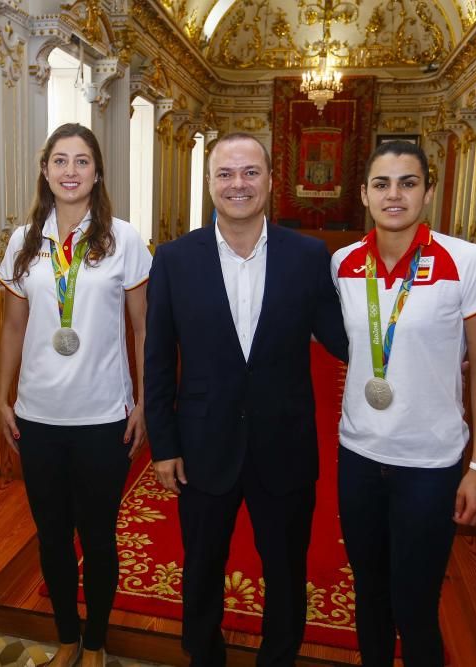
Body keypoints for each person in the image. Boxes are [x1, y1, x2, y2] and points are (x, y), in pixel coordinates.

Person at [145, 132, 348, 666]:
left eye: (250, 172)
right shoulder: (173, 259)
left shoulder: (307, 257)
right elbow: (159, 359)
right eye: (226, 174)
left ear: (270, 181)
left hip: (285, 445)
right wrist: (163, 445)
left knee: (285, 569)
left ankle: (278, 658)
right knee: (202, 567)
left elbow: (344, 340)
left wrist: (427, 351)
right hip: (203, 443)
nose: (239, 184)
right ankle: (204, 656)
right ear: (210, 183)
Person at [331, 141, 476, 666]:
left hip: (430, 464)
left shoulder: (467, 262)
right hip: (358, 456)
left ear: (429, 191)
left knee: (415, 602)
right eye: (382, 184)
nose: (394, 195)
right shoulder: (342, 264)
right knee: (369, 593)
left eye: (408, 183)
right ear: (363, 194)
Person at [0, 123, 152, 667]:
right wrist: (1, 397)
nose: (69, 171)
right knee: (53, 536)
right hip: (38, 417)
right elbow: (13, 328)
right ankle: (66, 635)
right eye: (59, 160)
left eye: (81, 161)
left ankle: (97, 641)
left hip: (103, 416)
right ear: (45, 171)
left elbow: (142, 327)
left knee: (100, 537)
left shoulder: (123, 239)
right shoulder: (23, 241)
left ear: (97, 172)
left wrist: (145, 402)